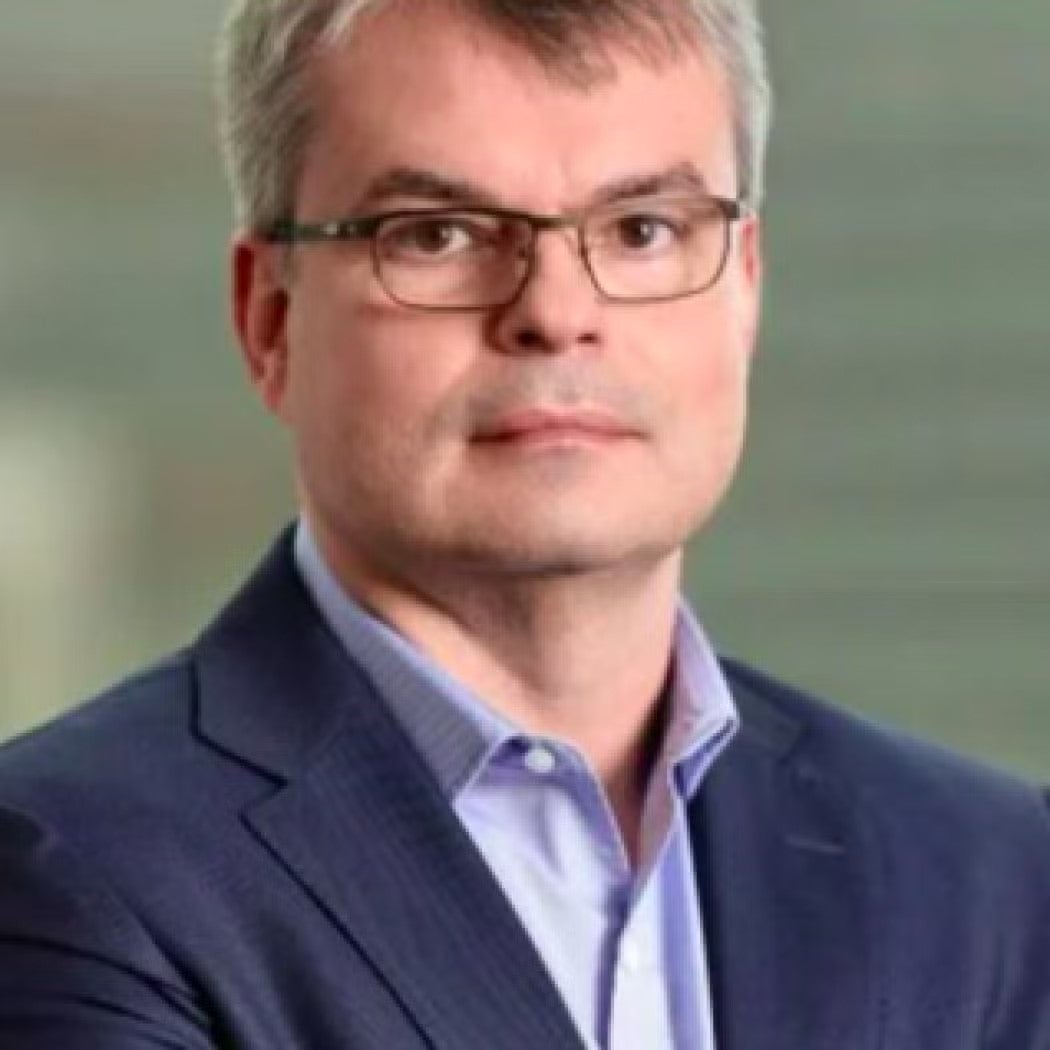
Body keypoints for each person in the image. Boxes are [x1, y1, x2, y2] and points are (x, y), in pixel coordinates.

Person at [1, 0, 1048, 1046]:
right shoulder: (64, 868)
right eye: (438, 234)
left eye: (643, 229)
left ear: (746, 291)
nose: (554, 310)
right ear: (270, 317)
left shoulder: (993, 877)